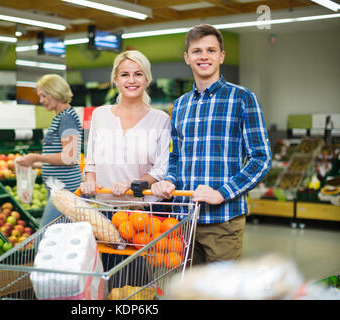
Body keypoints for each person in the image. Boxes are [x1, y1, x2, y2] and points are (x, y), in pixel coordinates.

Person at [151, 24, 272, 265]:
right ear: (187, 58)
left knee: (220, 291)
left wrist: (222, 193)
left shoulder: (242, 98)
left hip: (223, 222)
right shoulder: (181, 105)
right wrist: (169, 181)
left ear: (221, 55)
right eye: (196, 51)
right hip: (184, 220)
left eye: (211, 50)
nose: (204, 56)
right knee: (190, 290)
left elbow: (261, 158)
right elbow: (177, 157)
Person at [80, 50, 171, 206]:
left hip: (143, 211)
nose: (131, 80)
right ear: (115, 79)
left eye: (138, 74)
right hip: (106, 207)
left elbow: (161, 170)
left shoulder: (160, 119)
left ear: (147, 79)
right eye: (124, 75)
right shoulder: (100, 115)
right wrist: (89, 181)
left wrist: (131, 183)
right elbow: (91, 162)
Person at [16, 74, 82, 228]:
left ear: (55, 93)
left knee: (44, 236)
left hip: (64, 189)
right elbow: (61, 157)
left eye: (43, 96)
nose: (41, 101)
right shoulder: (61, 117)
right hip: (57, 187)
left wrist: (35, 157)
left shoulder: (67, 119)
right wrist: (34, 164)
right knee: (60, 237)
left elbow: (70, 157)